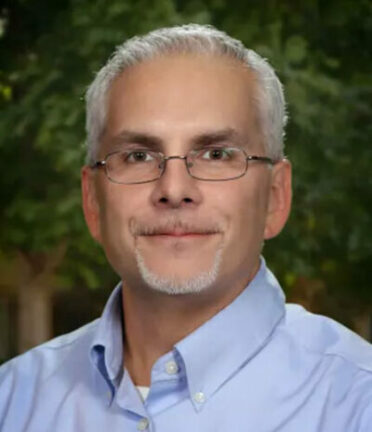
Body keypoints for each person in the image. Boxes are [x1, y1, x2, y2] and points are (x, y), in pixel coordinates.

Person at [0, 24, 371, 432]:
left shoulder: (355, 403)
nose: (174, 190)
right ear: (92, 201)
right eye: (139, 155)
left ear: (275, 197)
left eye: (215, 153)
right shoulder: (13, 401)